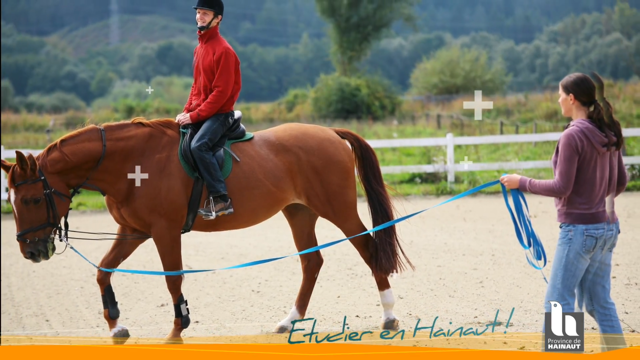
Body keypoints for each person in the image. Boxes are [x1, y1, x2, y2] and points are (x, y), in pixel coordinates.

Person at [500, 72, 628, 352]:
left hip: (580, 231)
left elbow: (562, 186)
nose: (558, 100)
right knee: (599, 302)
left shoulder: (573, 135)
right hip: (608, 228)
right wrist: (595, 201)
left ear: (571, 98)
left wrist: (521, 182)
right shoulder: (608, 132)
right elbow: (621, 182)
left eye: (560, 95)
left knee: (558, 302)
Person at [176, 0, 242, 220]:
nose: (199, 17)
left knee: (199, 145)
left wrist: (195, 115)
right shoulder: (199, 48)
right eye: (198, 13)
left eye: (205, 13)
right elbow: (197, 86)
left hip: (220, 114)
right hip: (203, 112)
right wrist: (186, 111)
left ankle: (221, 198)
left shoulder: (224, 51)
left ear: (218, 18)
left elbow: (220, 93)